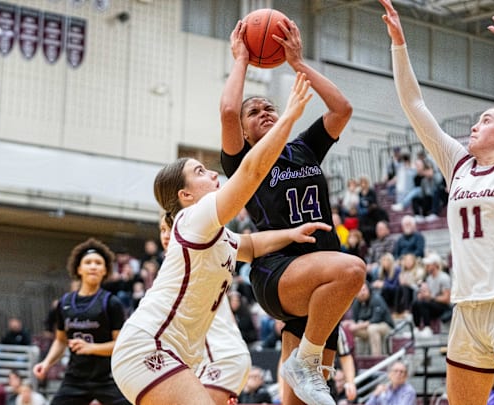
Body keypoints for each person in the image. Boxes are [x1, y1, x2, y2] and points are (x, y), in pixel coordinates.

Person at [111, 73, 338, 405]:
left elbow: (250, 245)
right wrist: (288, 116)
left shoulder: (212, 234)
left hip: (170, 355)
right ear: (185, 194)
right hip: (151, 346)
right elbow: (250, 173)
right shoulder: (194, 218)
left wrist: (290, 233)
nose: (213, 173)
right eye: (201, 172)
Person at [380, 1, 494, 404]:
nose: (474, 125)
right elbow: (415, 106)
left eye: (485, 120)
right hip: (465, 309)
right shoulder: (457, 165)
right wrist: (398, 44)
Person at [220, 16, 366, 405]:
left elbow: (342, 108)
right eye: (255, 113)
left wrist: (298, 64)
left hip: (319, 282)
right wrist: (241, 59)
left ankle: (304, 359)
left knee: (303, 403)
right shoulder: (243, 162)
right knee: (353, 268)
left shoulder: (304, 147)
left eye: (269, 106)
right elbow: (227, 109)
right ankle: (306, 361)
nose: (264, 111)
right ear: (245, 131)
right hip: (279, 269)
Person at [158, 214, 252, 404]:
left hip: (220, 357)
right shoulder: (189, 260)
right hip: (222, 356)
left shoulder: (189, 259)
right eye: (162, 230)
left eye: (171, 228)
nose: (166, 235)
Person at [32, 238, 128, 405]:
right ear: (79, 268)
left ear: (105, 270)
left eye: (98, 263)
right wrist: (46, 363)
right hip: (75, 378)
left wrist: (91, 348)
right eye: (88, 262)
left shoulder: (112, 303)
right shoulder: (65, 302)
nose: (93, 266)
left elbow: (120, 344)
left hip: (107, 378)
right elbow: (61, 341)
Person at [342, 282, 394, 356]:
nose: (362, 293)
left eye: (364, 290)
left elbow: (375, 319)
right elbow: (355, 320)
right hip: (367, 328)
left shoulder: (376, 299)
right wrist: (347, 323)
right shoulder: (357, 302)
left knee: (372, 329)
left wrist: (357, 326)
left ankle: (376, 359)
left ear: (369, 290)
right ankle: (355, 358)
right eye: (359, 291)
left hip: (384, 325)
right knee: (346, 328)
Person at [411, 253, 451, 338]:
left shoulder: (444, 277)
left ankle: (427, 328)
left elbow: (447, 299)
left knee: (423, 304)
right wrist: (423, 295)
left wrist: (430, 297)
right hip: (432, 304)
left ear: (435, 265)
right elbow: (429, 295)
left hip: (443, 307)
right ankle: (417, 328)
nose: (426, 266)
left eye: (428, 264)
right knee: (415, 303)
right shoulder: (429, 278)